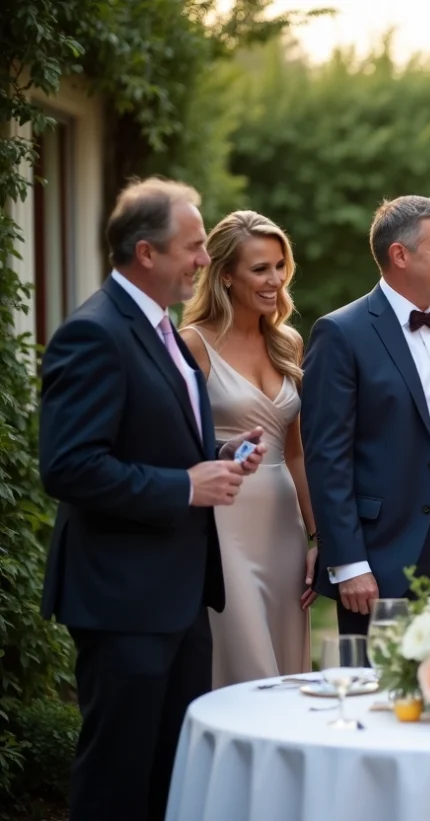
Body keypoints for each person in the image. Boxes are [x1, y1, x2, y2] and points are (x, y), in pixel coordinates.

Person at [39, 177, 265, 821]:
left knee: (171, 775)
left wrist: (216, 460)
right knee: (117, 779)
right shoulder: (94, 333)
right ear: (146, 253)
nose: (203, 260)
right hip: (124, 600)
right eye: (193, 246)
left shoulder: (161, 327)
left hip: (179, 596)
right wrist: (183, 487)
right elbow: (68, 466)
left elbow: (153, 441)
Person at [302, 195, 430, 635]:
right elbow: (327, 459)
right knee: (383, 693)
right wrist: (349, 562)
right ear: (400, 255)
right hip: (384, 552)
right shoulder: (341, 333)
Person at [180, 211, 317, 688]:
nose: (275, 280)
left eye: (280, 266)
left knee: (285, 663)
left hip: (283, 525)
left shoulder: (288, 342)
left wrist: (317, 537)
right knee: (247, 664)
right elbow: (176, 444)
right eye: (260, 269)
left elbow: (296, 452)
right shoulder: (191, 345)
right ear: (225, 276)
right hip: (224, 523)